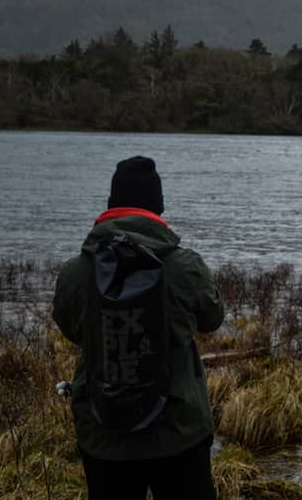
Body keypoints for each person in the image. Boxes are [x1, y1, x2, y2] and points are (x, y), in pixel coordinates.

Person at [53, 156, 224, 500]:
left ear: (111, 204)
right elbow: (212, 319)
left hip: (103, 434)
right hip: (179, 430)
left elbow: (72, 331)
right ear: (157, 207)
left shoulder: (75, 271)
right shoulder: (186, 266)